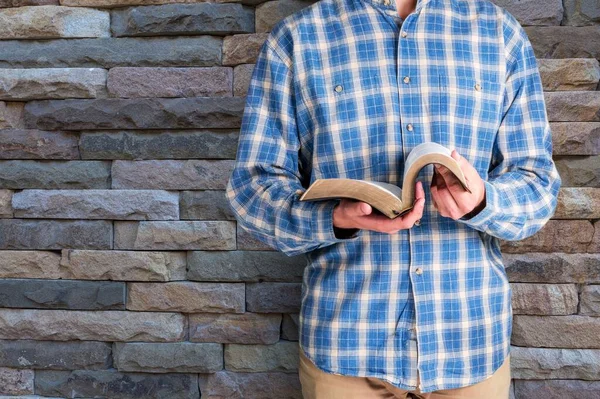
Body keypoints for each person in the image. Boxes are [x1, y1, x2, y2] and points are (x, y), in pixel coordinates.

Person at [225, 0, 561, 396]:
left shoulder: (498, 33)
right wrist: (336, 218)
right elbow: (252, 189)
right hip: (346, 349)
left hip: (470, 343)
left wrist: (484, 201)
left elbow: (537, 183)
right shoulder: (298, 38)